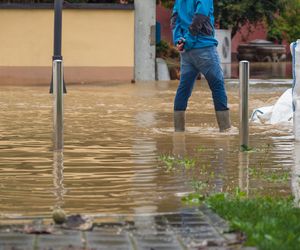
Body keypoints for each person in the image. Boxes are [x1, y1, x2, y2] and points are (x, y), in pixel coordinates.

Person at [171, 0, 231, 132]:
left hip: (186, 52)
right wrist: (189, 40)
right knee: (217, 86)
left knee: (184, 88)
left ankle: (178, 131)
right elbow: (201, 16)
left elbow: (174, 20)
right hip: (203, 47)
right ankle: (226, 130)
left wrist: (179, 40)